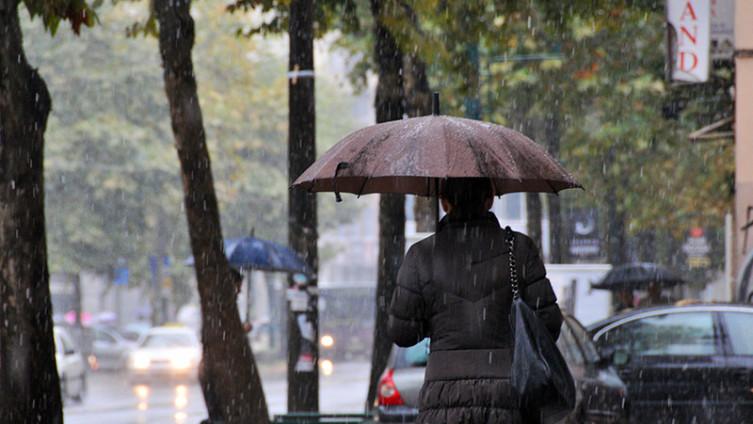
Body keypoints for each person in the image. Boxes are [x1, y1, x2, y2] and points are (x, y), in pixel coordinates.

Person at [388, 178, 563, 424]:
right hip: (510, 393)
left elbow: (401, 332)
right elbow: (549, 323)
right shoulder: (519, 249)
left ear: (444, 202)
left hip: (443, 398)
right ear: (489, 199)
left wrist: (436, 323)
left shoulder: (421, 255)